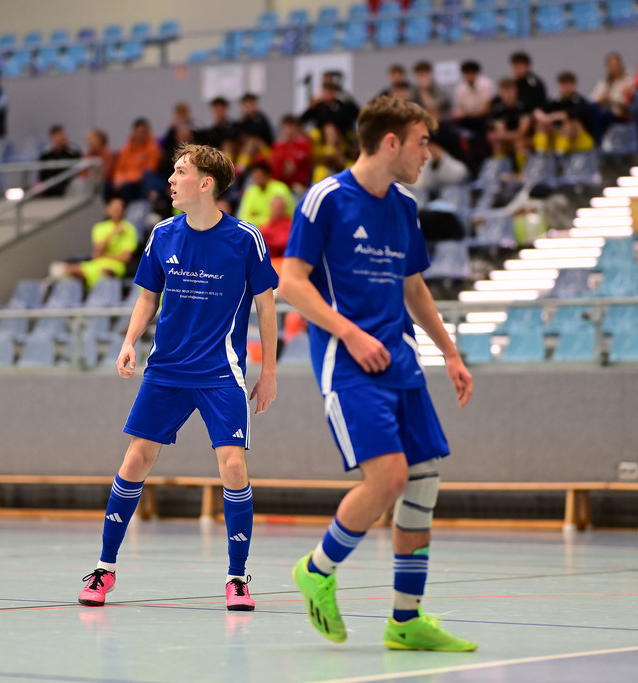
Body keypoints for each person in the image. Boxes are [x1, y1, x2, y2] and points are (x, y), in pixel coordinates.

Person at [279, 95, 476, 652]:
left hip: (401, 362)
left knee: (423, 483)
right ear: (391, 142)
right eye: (421, 143)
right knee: (388, 479)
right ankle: (316, 569)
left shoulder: (405, 206)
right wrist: (350, 333)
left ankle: (405, 620)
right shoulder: (326, 198)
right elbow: (291, 282)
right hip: (349, 365)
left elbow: (414, 287)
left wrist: (450, 352)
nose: (427, 155)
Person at [77, 142, 279, 612]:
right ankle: (104, 569)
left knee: (233, 466)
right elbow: (148, 296)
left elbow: (267, 307)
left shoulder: (245, 238)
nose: (170, 180)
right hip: (166, 369)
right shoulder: (163, 234)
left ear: (205, 184)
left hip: (220, 371)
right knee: (136, 459)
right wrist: (130, 341)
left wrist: (268, 371)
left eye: (180, 171)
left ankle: (237, 577)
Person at [57, 196, 139, 287]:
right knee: (68, 270)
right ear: (108, 210)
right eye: (114, 209)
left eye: (119, 209)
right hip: (96, 264)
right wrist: (112, 234)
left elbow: (126, 258)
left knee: (104, 274)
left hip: (115, 266)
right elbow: (98, 250)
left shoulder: (130, 229)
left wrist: (104, 256)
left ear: (124, 211)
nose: (117, 212)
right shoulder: (99, 227)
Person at [533, 71, 594, 155]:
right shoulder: (556, 100)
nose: (565, 88)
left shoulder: (579, 101)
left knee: (570, 122)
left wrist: (552, 117)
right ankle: (540, 152)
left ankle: (559, 153)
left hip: (580, 140)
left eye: (568, 84)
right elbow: (538, 111)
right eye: (563, 85)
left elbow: (568, 114)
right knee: (541, 123)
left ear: (574, 85)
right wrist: (544, 117)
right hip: (559, 138)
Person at [112, 118, 161, 203]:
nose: (140, 134)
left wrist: (127, 179)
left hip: (140, 182)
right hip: (126, 181)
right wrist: (118, 178)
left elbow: (150, 170)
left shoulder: (153, 149)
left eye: (143, 132)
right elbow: (119, 168)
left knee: (129, 188)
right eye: (138, 131)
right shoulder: (126, 148)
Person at [487, 78, 532, 170]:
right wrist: (510, 136)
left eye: (510, 91)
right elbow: (501, 133)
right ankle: (500, 172)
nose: (508, 95)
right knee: (498, 144)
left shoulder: (524, 106)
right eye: (504, 91)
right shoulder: (498, 110)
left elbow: (523, 131)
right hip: (508, 139)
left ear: (516, 91)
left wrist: (511, 136)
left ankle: (523, 172)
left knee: (520, 144)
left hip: (524, 139)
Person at [589, 52, 635, 139]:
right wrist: (600, 99)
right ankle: (595, 141)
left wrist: (611, 99)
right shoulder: (604, 80)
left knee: (602, 116)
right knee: (591, 109)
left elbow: (629, 101)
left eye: (616, 65)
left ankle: (597, 141)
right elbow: (593, 98)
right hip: (604, 111)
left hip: (620, 113)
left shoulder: (628, 79)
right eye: (611, 66)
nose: (614, 68)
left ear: (620, 65)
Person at [238, 160, 294, 228]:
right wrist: (268, 220)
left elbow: (287, 215)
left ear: (267, 175)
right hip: (257, 230)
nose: (256, 178)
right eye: (255, 175)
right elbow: (244, 217)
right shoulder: (250, 191)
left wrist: (256, 217)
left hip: (279, 230)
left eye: (259, 175)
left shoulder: (281, 189)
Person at [38, 124, 82, 197]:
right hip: (50, 190)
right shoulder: (46, 155)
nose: (62, 138)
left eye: (63, 136)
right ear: (52, 138)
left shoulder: (73, 154)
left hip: (68, 189)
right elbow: (42, 176)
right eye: (58, 136)